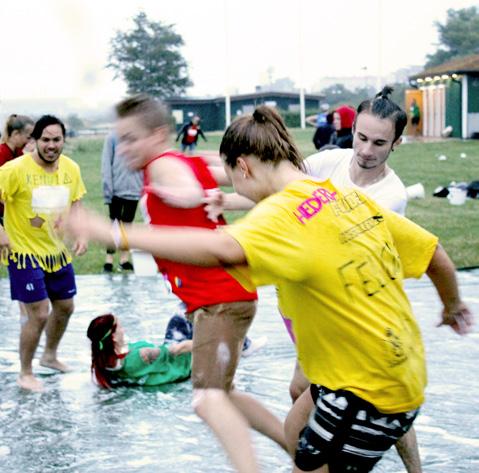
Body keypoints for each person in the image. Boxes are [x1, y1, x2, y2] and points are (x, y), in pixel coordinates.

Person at [66, 105, 473, 473]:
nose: (236, 196)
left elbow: (222, 248)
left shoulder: (283, 214)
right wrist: (452, 304)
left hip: (367, 390)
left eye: (234, 182)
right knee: (295, 431)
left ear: (243, 167)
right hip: (391, 368)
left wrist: (118, 232)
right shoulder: (340, 195)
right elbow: (433, 251)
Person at [89, 95, 285, 472]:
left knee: (207, 400)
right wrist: (211, 193)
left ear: (159, 134)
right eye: (120, 140)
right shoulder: (185, 161)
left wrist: (187, 195)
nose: (123, 148)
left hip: (220, 298)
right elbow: (236, 176)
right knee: (223, 395)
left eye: (131, 138)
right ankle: (297, 449)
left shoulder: (164, 165)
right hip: (224, 296)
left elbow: (186, 188)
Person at [0, 115, 88, 392]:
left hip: (56, 252)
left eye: (57, 140)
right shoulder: (14, 169)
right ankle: (25, 372)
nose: (51, 145)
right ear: (34, 141)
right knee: (39, 313)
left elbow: (77, 203)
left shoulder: (71, 169)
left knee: (65, 307)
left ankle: (49, 355)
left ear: (64, 140)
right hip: (23, 252)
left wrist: (82, 233)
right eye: (46, 140)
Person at [87, 312, 193, 388]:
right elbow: (175, 351)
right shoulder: (142, 355)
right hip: (184, 364)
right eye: (119, 327)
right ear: (113, 337)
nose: (123, 330)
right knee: (182, 315)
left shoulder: (104, 362)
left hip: (164, 366)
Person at [101, 130, 143, 272]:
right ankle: (109, 258)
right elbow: (106, 163)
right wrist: (108, 190)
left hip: (135, 190)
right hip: (116, 191)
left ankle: (124, 259)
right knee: (114, 225)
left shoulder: (141, 136)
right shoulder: (112, 137)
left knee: (127, 226)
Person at [0, 115, 34, 225]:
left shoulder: (19, 153)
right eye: (28, 137)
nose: (28, 142)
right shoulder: (2, 154)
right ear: (15, 134)